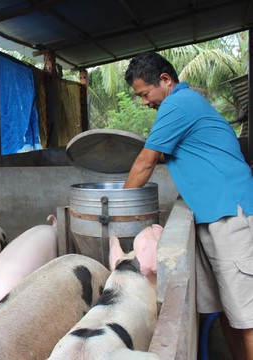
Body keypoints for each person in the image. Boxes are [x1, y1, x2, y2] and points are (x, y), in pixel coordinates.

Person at [123, 51, 253, 359]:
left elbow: (145, 163)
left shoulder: (177, 104)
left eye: (145, 93)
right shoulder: (186, 104)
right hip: (214, 214)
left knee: (247, 315)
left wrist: (119, 209)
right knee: (228, 309)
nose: (145, 102)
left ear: (166, 80)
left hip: (231, 214)